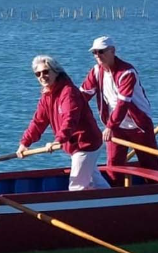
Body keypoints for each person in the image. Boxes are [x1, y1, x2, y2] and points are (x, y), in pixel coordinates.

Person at [17, 55, 111, 191]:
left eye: (46, 72)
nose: (42, 76)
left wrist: (58, 140)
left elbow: (70, 119)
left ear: (56, 72)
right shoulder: (47, 95)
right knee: (95, 181)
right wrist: (25, 143)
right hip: (74, 145)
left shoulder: (69, 92)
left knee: (76, 187)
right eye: (38, 74)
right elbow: (38, 121)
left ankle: (82, 210)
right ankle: (114, 204)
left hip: (85, 143)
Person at [79, 36, 158, 182]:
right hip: (116, 128)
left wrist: (110, 126)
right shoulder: (96, 72)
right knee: (113, 167)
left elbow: (122, 104)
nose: (98, 56)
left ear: (112, 51)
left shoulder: (127, 73)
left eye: (101, 51)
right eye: (94, 53)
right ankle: (115, 195)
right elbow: (82, 96)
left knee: (150, 166)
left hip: (139, 125)